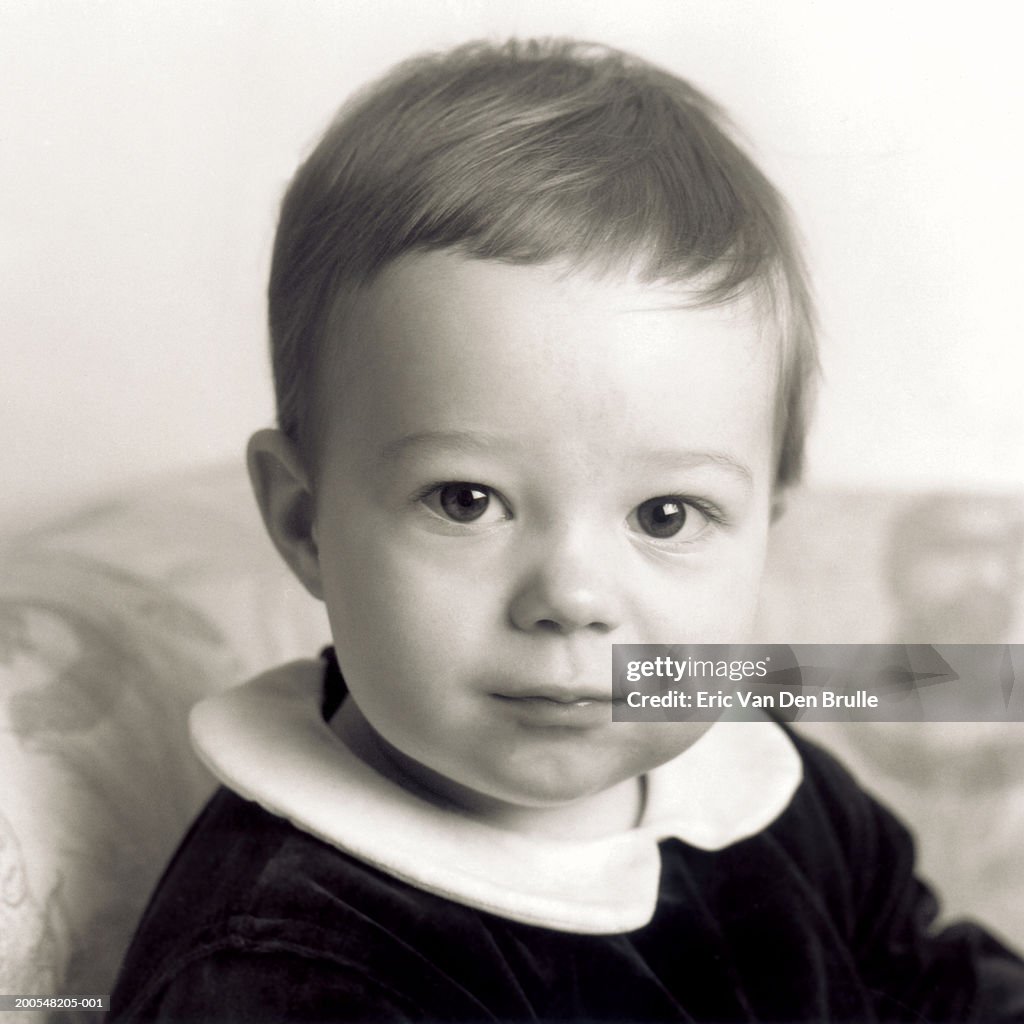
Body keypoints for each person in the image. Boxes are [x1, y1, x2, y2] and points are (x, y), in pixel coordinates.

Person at [108, 39, 1024, 1022]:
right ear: (303, 520)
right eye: (466, 500)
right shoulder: (282, 966)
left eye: (664, 515)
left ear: (766, 533)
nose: (572, 597)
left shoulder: (764, 787)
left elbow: (934, 989)